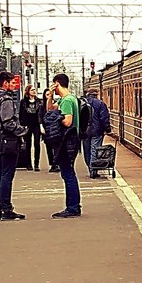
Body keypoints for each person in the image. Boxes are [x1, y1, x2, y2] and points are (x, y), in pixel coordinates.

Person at [0, 71, 28, 221]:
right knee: (6, 175)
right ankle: (7, 209)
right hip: (7, 141)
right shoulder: (6, 99)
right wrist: (23, 130)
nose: (15, 85)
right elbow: (8, 122)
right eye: (12, 82)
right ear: (5, 83)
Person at [50, 73, 82, 218]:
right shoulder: (68, 99)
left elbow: (67, 121)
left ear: (57, 83)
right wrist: (50, 96)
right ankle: (73, 206)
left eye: (54, 85)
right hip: (70, 140)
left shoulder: (67, 101)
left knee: (68, 174)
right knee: (68, 173)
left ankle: (72, 207)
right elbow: (50, 109)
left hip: (67, 140)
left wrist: (58, 118)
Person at [81, 88, 111, 177]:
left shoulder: (82, 103)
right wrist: (108, 129)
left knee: (86, 150)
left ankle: (89, 167)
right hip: (97, 131)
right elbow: (104, 118)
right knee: (95, 149)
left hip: (84, 131)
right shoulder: (100, 104)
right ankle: (93, 170)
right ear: (96, 94)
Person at [17, 85, 44, 171]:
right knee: (27, 145)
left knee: (37, 144)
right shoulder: (23, 102)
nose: (33, 91)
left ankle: (36, 164)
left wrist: (41, 125)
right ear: (28, 91)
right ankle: (28, 164)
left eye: (34, 90)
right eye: (32, 90)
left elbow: (41, 114)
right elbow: (20, 113)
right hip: (27, 125)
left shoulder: (39, 102)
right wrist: (21, 125)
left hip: (36, 125)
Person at [41, 90, 63, 172]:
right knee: (49, 147)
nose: (48, 96)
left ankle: (56, 163)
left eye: (49, 94)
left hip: (55, 128)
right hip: (47, 128)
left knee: (57, 147)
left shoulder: (56, 103)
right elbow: (40, 116)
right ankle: (52, 164)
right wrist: (41, 126)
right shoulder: (42, 106)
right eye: (47, 94)